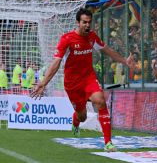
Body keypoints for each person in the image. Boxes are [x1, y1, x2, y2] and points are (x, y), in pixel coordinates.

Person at [30, 8, 133, 152]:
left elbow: (107, 50)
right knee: (82, 116)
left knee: (100, 100)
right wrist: (43, 83)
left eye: (89, 22)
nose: (87, 25)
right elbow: (56, 63)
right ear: (78, 22)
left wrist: (124, 61)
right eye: (84, 22)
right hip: (73, 85)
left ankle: (108, 143)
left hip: (88, 78)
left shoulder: (92, 37)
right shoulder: (67, 39)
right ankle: (75, 121)